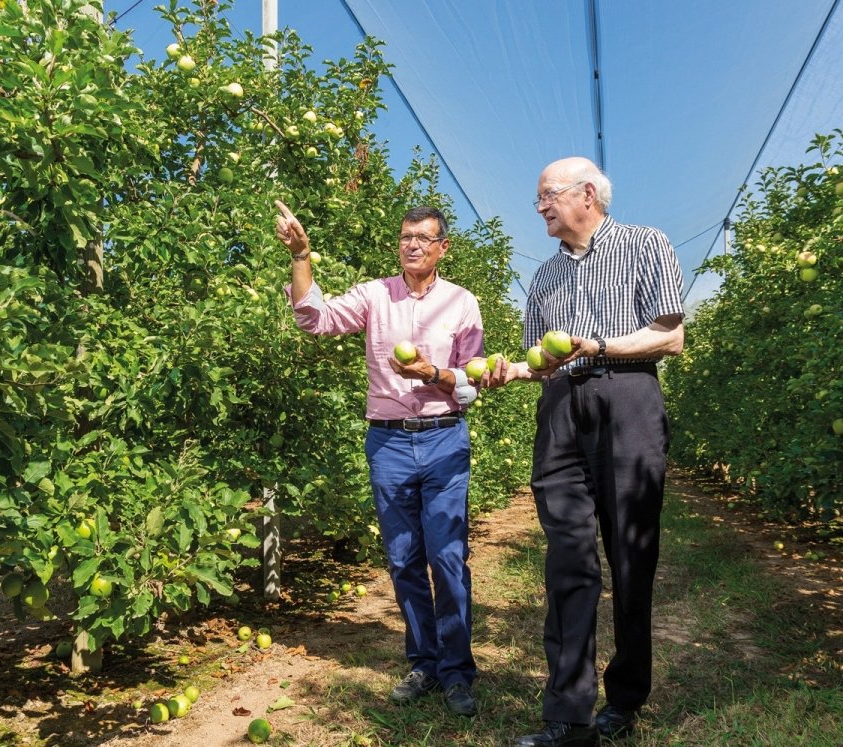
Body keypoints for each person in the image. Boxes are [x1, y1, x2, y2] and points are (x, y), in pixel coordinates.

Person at [483, 157, 684, 746]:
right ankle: (569, 716)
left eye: (547, 194)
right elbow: (540, 361)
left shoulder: (645, 244)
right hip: (559, 412)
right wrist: (506, 370)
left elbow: (670, 335)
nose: (540, 206)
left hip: (628, 397)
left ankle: (625, 696)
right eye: (539, 198)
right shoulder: (543, 278)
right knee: (567, 558)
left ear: (587, 194)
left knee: (630, 554)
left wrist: (599, 344)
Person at [274, 199, 484, 717]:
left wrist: (434, 375)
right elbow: (314, 319)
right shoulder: (374, 295)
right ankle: (424, 662)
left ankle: (458, 671)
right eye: (405, 236)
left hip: (442, 438)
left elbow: (473, 383)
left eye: (423, 238)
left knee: (447, 556)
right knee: (403, 557)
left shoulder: (462, 303)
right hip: (388, 442)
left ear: (442, 248)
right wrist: (302, 257)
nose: (412, 244)